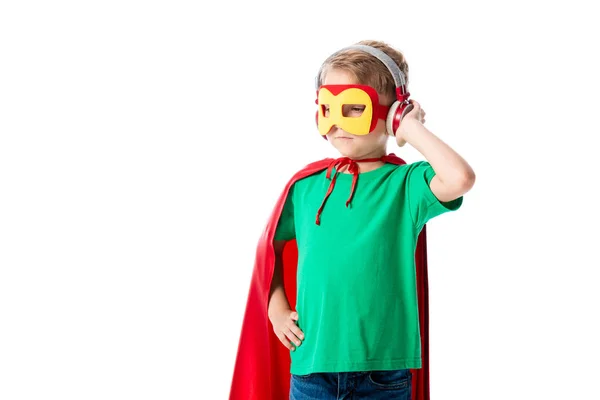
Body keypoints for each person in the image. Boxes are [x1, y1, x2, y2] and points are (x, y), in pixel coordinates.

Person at [229, 40, 476, 400]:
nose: (337, 123)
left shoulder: (405, 186)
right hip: (312, 368)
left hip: (382, 374)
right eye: (328, 107)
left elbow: (459, 178)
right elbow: (269, 253)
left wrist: (408, 127)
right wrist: (276, 307)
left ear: (390, 114)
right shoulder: (307, 187)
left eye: (354, 108)